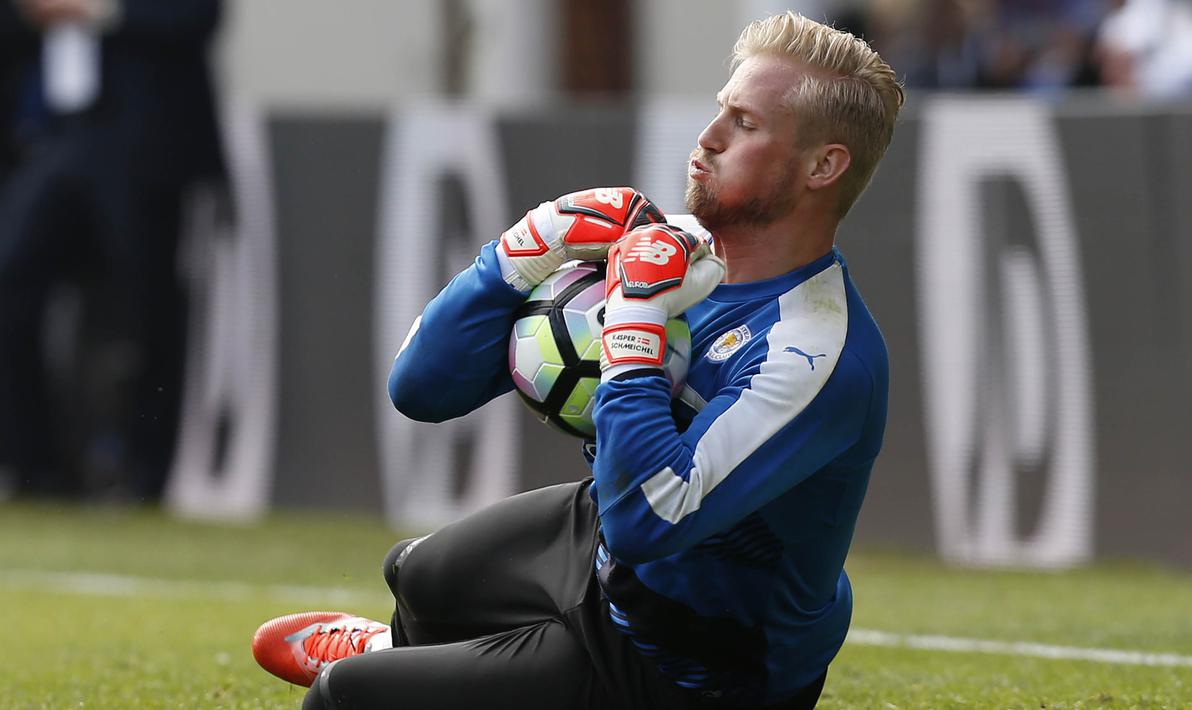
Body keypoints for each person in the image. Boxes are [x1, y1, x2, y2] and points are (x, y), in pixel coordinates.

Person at [252, 11, 903, 710]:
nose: (707, 139)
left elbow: (651, 519)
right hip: (611, 556)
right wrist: (520, 252)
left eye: (743, 124)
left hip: (696, 667)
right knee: (415, 575)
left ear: (823, 165)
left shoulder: (817, 349)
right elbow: (421, 389)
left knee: (341, 697)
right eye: (720, 110)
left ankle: (403, 667)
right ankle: (407, 651)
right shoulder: (672, 253)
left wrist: (633, 321)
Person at [0, 0, 226, 499]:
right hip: (52, 137)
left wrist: (94, 11)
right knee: (11, 281)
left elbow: (197, 17)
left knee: (148, 304)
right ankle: (37, 466)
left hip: (140, 138)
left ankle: (145, 473)